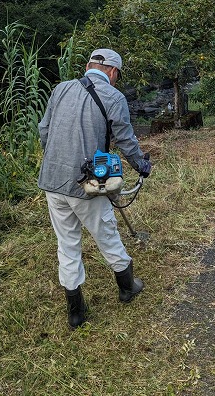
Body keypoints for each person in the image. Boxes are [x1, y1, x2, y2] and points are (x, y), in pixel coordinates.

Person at [38, 48, 152, 329]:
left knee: (67, 244)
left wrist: (57, 161)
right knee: (106, 232)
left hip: (53, 181)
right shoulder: (114, 97)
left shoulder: (61, 88)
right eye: (117, 75)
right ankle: (127, 287)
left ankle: (75, 311)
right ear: (112, 72)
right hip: (86, 184)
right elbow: (125, 140)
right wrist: (141, 166)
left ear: (89, 66)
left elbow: (44, 130)